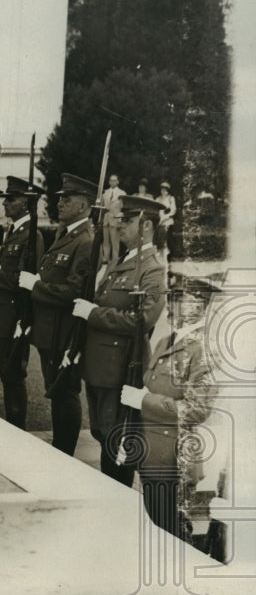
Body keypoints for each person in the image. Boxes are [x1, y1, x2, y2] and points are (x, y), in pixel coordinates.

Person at [74, 194, 167, 486]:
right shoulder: (121, 261)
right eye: (122, 220)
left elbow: (143, 320)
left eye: (128, 221)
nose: (121, 226)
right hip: (99, 365)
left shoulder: (152, 268)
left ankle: (118, 499)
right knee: (103, 433)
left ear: (147, 225)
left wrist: (94, 314)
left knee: (117, 439)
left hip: (120, 366)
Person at [120, 274, 217, 541]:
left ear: (197, 305)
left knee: (173, 536)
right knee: (156, 531)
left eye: (178, 299)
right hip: (151, 455)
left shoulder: (203, 350)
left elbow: (196, 410)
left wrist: (144, 401)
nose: (170, 306)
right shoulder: (167, 341)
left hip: (175, 462)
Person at [20, 173, 96, 456]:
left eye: (67, 198)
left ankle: (64, 451)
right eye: (60, 198)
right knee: (55, 389)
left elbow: (75, 291)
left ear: (84, 205)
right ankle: (60, 448)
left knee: (65, 391)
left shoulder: (85, 241)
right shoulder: (66, 235)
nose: (60, 203)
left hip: (64, 330)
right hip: (49, 328)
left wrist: (36, 286)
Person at [0, 176, 45, 428]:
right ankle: (12, 424)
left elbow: (23, 279)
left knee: (13, 373)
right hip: (2, 314)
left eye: (12, 199)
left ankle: (17, 427)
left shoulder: (32, 235)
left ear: (26, 205)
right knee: (5, 371)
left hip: (15, 314)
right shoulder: (15, 231)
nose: (5, 204)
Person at [100, 173, 125, 264]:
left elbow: (123, 208)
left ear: (117, 182)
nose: (112, 182)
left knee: (115, 242)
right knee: (106, 241)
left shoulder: (122, 193)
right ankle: (105, 258)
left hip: (115, 219)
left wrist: (120, 219)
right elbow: (102, 206)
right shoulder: (105, 193)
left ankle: (115, 260)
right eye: (111, 180)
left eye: (114, 180)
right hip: (106, 219)